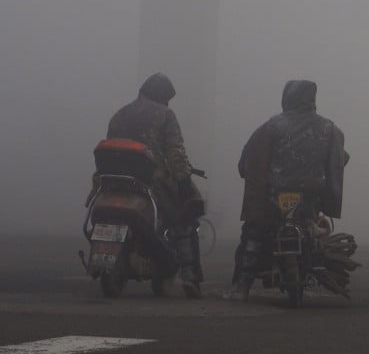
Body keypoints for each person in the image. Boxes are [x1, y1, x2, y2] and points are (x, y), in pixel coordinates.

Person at [223, 79, 348, 301]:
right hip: (310, 200)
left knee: (253, 237)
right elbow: (339, 161)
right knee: (311, 232)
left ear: (287, 98)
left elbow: (247, 162)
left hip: (272, 198)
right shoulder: (329, 128)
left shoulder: (271, 126)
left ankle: (240, 287)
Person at [106, 72, 204, 297]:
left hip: (114, 182)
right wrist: (184, 182)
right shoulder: (165, 114)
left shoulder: (120, 114)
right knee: (186, 218)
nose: (168, 103)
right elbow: (175, 152)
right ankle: (191, 278)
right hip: (152, 183)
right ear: (162, 95)